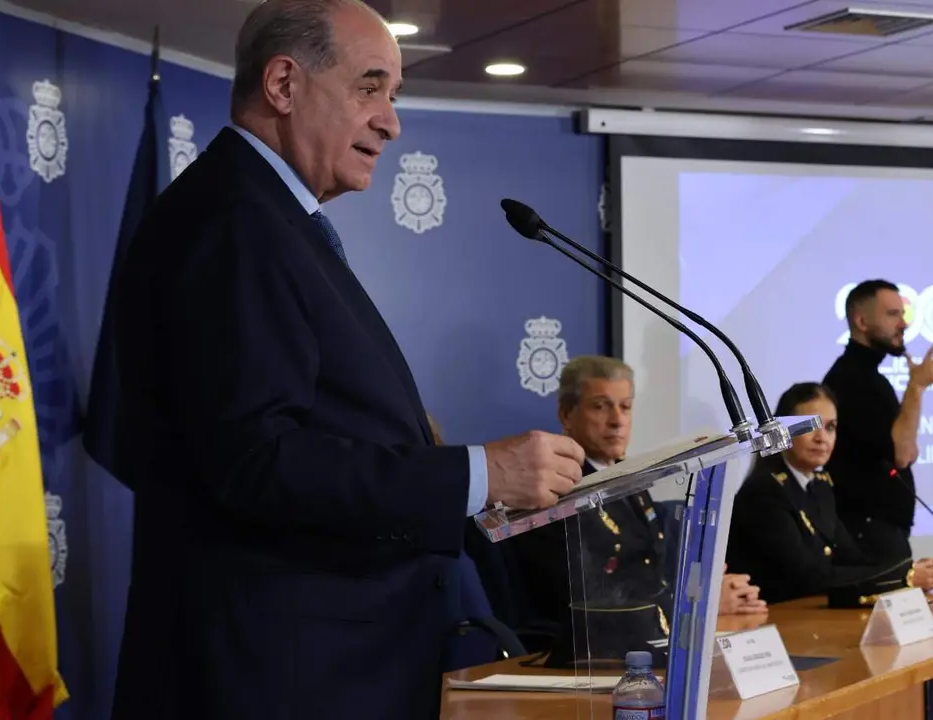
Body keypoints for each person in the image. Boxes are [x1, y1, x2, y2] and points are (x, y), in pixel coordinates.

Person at [102, 2, 584, 717]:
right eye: (370, 87)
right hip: (276, 681)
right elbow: (257, 459)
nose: (391, 122)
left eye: (393, 96)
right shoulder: (234, 223)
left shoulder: (268, 219)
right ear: (284, 85)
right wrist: (483, 473)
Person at [512, 356, 765, 651]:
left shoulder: (628, 480)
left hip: (649, 641)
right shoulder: (556, 491)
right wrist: (696, 602)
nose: (617, 420)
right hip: (588, 653)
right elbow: (587, 598)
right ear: (567, 414)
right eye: (600, 406)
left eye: (625, 407)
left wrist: (710, 591)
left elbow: (652, 574)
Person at [727, 383, 933, 605]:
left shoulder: (820, 487)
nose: (822, 438)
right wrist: (901, 577)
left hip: (808, 615)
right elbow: (806, 577)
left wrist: (906, 570)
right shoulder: (763, 492)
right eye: (809, 426)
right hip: (774, 619)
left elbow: (852, 561)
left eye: (830, 427)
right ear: (780, 431)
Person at [823, 280, 933, 564]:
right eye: (893, 314)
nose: (904, 324)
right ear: (861, 320)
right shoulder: (849, 379)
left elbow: (904, 449)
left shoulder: (870, 378)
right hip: (867, 535)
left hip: (879, 533)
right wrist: (916, 388)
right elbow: (903, 453)